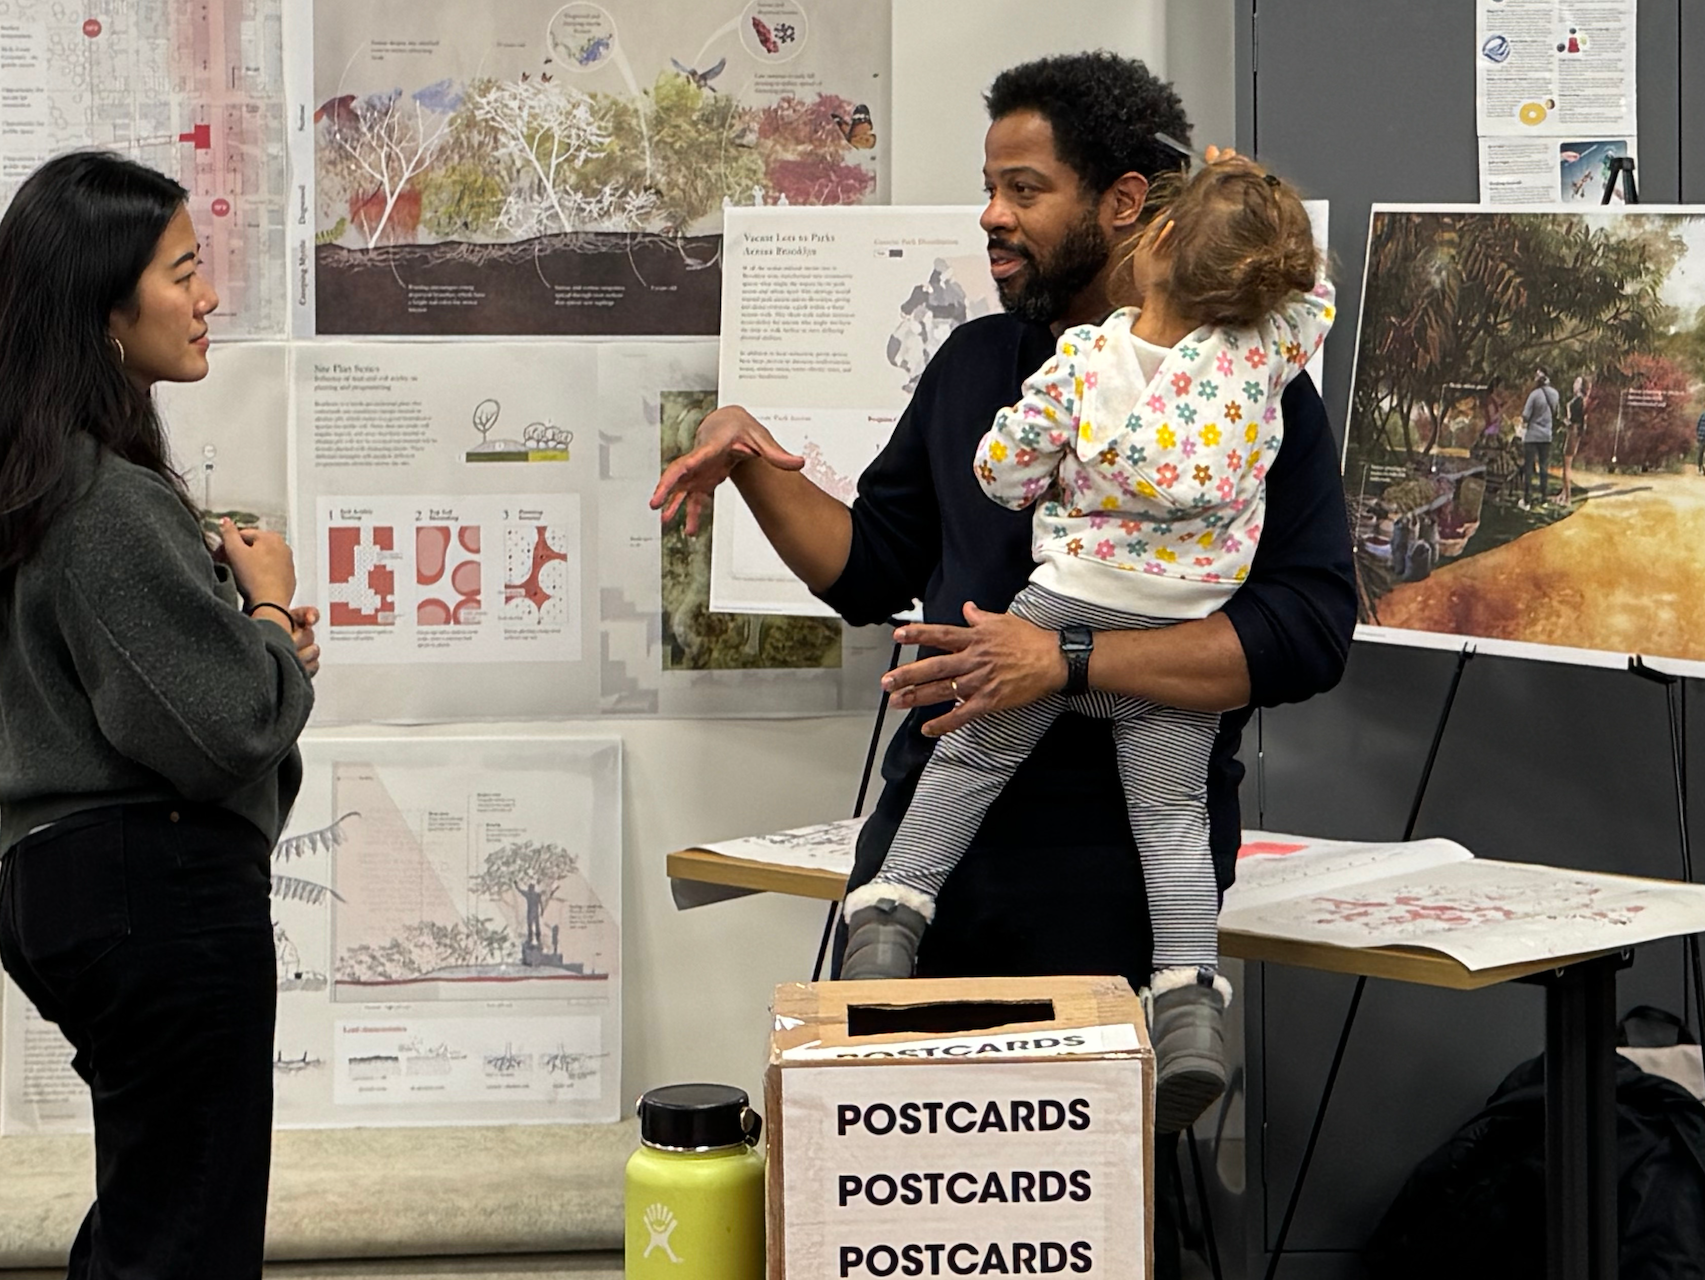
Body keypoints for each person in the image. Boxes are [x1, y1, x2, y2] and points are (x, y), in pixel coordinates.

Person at [650, 52, 1355, 1275]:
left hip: (1112, 893)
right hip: (926, 889)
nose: (991, 215)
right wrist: (746, 455)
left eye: (1023, 189)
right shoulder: (977, 361)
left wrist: (1065, 657)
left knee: (1086, 1240)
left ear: (1124, 202)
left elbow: (1304, 632)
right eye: (990, 187)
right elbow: (872, 566)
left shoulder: (1252, 386)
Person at [839, 152, 1334, 1135]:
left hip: (1070, 603)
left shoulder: (1083, 362)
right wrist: (1256, 201)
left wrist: (1027, 467)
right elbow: (1307, 294)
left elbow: (1001, 472)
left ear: (1146, 239)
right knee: (1171, 816)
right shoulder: (1263, 364)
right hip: (1183, 621)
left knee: (972, 748)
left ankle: (892, 909)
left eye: (1020, 185)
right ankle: (1188, 995)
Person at [0, 152, 318, 1278]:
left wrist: (253, 650)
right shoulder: (104, 498)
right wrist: (270, 608)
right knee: (187, 1237)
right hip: (157, 891)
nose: (208, 297)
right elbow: (225, 725)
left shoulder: (36, 481)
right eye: (184, 271)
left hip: (73, 890)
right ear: (103, 307)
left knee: (155, 1215)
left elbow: (169, 694)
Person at [1517, 369, 1559, 509]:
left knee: (1529, 467)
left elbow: (1526, 416)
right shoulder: (1555, 394)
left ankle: (1527, 500)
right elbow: (1556, 413)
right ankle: (1544, 498)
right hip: (1546, 435)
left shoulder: (1534, 395)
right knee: (1543, 467)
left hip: (1532, 435)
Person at [1695, 406, 1705, 475]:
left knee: (1701, 453)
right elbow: (1698, 425)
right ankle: (1699, 468)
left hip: (1701, 436)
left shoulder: (1702, 415)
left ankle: (1702, 468)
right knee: (1700, 453)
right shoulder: (1702, 415)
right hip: (1701, 437)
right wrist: (1698, 434)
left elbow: (1697, 426)